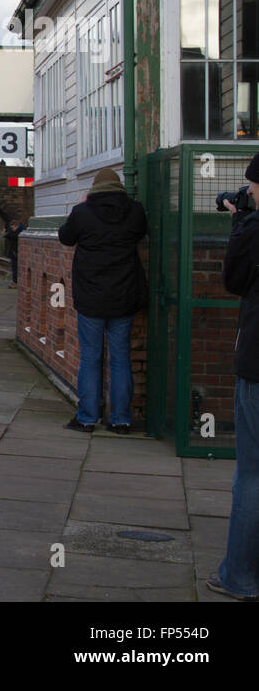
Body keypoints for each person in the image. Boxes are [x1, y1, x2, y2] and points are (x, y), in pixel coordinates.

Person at [57, 167, 147, 434]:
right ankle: (120, 419)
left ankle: (86, 418)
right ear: (119, 186)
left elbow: (65, 237)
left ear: (94, 188)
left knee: (90, 357)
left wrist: (83, 209)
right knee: (120, 358)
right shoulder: (135, 211)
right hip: (124, 296)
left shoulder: (82, 212)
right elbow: (141, 233)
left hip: (91, 297)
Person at [211, 160, 259, 600]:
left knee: (252, 475)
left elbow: (234, 280)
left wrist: (240, 223)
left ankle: (240, 577)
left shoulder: (254, 228)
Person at [3, 220, 24, 287]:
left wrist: (10, 233)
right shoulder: (14, 231)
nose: (12, 229)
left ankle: (16, 282)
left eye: (13, 228)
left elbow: (9, 236)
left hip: (16, 252)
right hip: (14, 252)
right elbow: (6, 235)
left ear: (16, 226)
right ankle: (15, 282)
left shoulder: (19, 232)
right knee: (14, 268)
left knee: (15, 268)